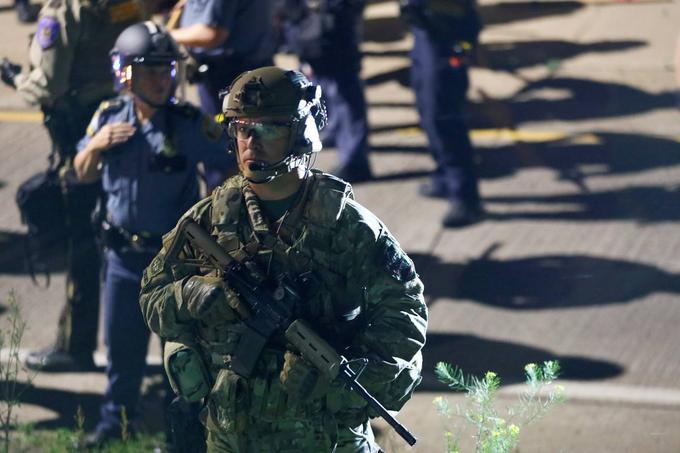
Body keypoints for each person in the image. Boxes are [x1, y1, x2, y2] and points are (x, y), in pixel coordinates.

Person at [139, 66, 428, 452]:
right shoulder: (210, 219)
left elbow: (405, 315)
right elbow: (152, 295)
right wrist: (192, 294)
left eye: (268, 129)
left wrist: (336, 377)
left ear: (299, 134)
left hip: (326, 439)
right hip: (233, 435)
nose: (250, 143)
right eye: (243, 129)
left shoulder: (348, 226)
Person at [72, 21, 232, 447]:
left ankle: (178, 432)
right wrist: (96, 145)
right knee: (121, 350)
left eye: (166, 71)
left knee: (178, 353)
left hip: (174, 264)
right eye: (149, 71)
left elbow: (232, 162)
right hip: (123, 258)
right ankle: (114, 424)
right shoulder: (108, 117)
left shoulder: (188, 124)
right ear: (126, 73)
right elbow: (80, 172)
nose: (161, 80)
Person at [0, 0, 148, 372]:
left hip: (81, 137)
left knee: (82, 241)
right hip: (123, 124)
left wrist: (15, 77)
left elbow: (49, 86)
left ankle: (75, 345)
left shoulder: (65, 11)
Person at [168, 0, 276, 190]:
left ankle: (228, 207)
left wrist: (167, 35)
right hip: (239, 74)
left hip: (229, 78)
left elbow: (212, 33)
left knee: (227, 150)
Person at [400, 0, 484, 227]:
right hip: (425, 26)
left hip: (446, 26)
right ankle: (445, 176)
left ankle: (465, 197)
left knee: (443, 115)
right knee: (427, 109)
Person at [277, 0, 372, 183]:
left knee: (343, 89)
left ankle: (355, 160)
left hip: (331, 22)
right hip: (309, 23)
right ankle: (335, 130)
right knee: (320, 80)